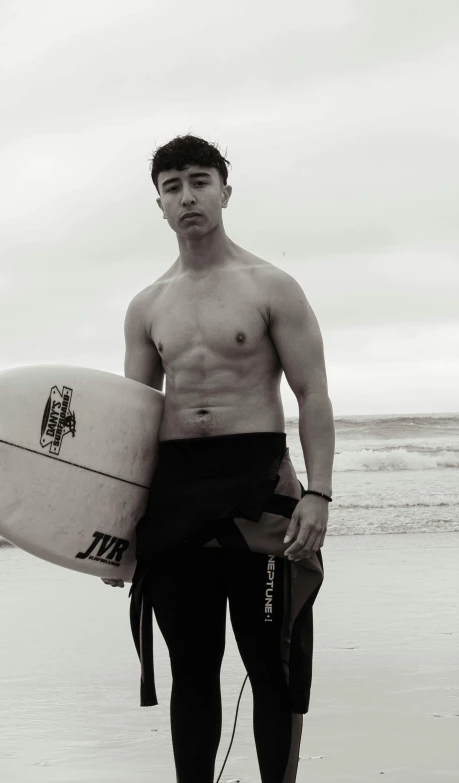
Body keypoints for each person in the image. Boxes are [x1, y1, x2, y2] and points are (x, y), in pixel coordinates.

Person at [102, 134, 335, 783]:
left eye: (199, 181)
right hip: (176, 498)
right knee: (194, 672)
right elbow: (133, 421)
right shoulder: (147, 306)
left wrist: (319, 493)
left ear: (225, 191)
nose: (187, 196)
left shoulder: (270, 286)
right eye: (172, 186)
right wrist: (115, 524)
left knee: (270, 663)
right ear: (159, 204)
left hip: (256, 489)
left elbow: (312, 394)